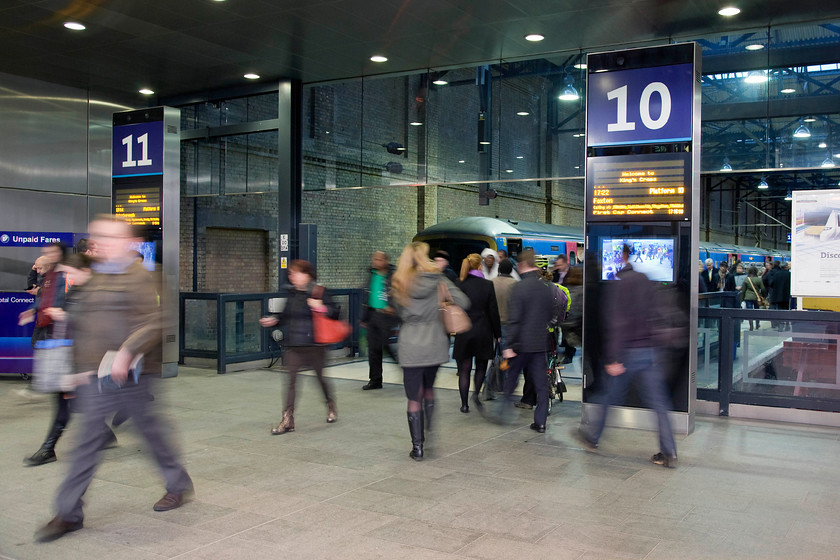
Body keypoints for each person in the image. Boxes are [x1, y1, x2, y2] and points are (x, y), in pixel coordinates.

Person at [35, 215, 192, 543]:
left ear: (126, 241)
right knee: (86, 443)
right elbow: (85, 326)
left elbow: (157, 320)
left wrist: (127, 351)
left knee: (151, 434)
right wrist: (78, 369)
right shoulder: (94, 277)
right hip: (96, 375)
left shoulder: (144, 275)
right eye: (97, 237)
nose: (100, 242)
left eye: (108, 236)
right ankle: (68, 513)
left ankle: (177, 484)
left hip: (133, 373)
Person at [576, 245, 678, 468]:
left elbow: (617, 324)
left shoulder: (620, 287)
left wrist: (612, 357)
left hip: (627, 354)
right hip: (648, 353)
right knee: (659, 404)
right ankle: (669, 452)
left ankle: (592, 437)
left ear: (621, 262)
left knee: (609, 396)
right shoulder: (647, 282)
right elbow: (658, 316)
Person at [23, 253, 118, 467]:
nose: (68, 277)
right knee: (68, 401)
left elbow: (99, 323)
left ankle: (49, 449)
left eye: (71, 273)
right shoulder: (76, 290)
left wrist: (66, 316)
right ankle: (102, 433)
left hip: (86, 359)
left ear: (85, 271)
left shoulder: (97, 292)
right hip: (73, 356)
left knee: (66, 402)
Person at [391, 242, 469, 460]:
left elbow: (397, 312)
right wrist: (443, 299)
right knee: (428, 389)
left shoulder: (399, 282)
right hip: (435, 343)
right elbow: (464, 301)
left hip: (411, 345)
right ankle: (429, 431)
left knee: (413, 397)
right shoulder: (439, 280)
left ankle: (418, 447)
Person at [259, 259, 340, 433]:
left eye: (296, 273)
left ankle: (330, 404)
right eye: (291, 273)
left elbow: (336, 313)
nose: (292, 276)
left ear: (307, 274)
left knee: (320, 379)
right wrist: (274, 321)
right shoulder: (293, 294)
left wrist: (321, 308)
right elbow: (286, 316)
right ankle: (287, 420)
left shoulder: (320, 292)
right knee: (291, 382)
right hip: (295, 345)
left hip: (315, 345)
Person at [502, 249, 565, 433]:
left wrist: (510, 345)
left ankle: (502, 412)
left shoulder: (518, 288)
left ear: (522, 265)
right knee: (541, 384)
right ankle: (541, 422)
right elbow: (551, 314)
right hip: (540, 343)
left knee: (512, 377)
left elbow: (514, 319)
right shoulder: (547, 288)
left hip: (521, 344)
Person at [453, 254, 501, 413]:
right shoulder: (487, 285)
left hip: (463, 331)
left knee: (464, 369)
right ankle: (476, 394)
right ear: (479, 266)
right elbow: (493, 311)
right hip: (483, 330)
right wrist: (497, 333)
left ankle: (464, 404)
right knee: (481, 366)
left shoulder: (459, 284)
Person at [360, 251, 398, 391]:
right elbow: (366, 296)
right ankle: (375, 380)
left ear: (385, 261)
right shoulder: (372, 275)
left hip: (387, 316)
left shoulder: (393, 275)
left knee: (387, 346)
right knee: (373, 349)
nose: (376, 261)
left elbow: (399, 293)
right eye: (374, 259)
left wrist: (393, 307)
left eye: (379, 259)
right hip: (372, 315)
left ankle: (406, 369)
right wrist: (364, 318)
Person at [742, 266, 766, 331]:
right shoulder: (759, 279)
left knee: (750, 312)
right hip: (757, 297)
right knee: (757, 311)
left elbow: (743, 290)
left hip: (748, 297)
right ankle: (757, 324)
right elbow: (763, 289)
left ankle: (751, 326)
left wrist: (742, 298)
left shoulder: (747, 279)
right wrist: (763, 296)